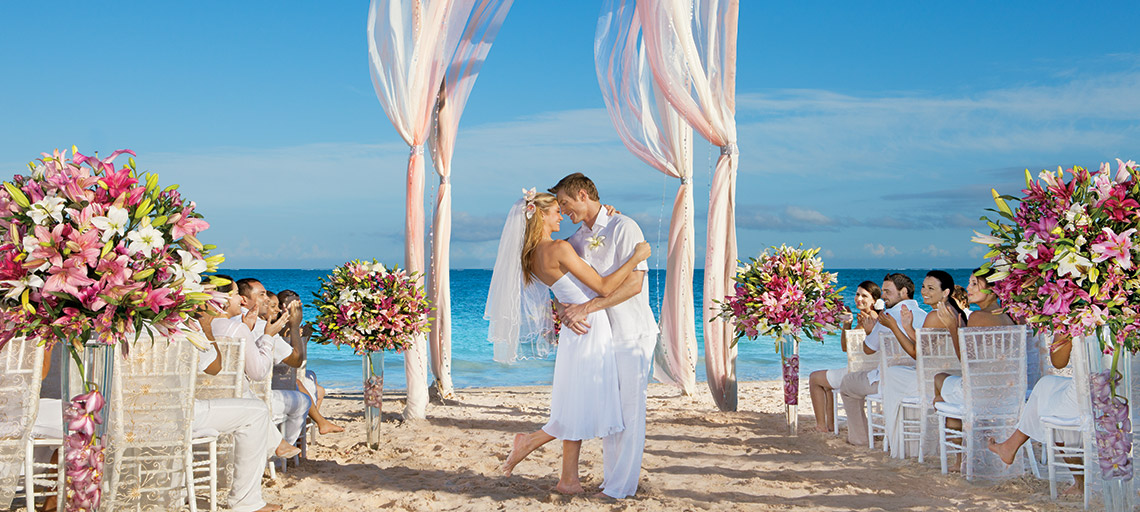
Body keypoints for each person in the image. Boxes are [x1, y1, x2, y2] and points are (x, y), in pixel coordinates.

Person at [491, 190, 650, 494]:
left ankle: (568, 480)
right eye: (555, 211)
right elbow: (604, 286)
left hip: (576, 330)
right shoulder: (559, 248)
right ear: (540, 216)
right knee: (581, 405)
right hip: (590, 327)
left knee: (575, 402)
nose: (560, 215)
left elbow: (564, 292)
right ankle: (531, 441)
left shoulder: (532, 255)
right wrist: (635, 258)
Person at [549, 173, 659, 500]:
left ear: (583, 195)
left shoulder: (625, 228)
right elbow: (557, 276)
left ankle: (620, 487)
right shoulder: (578, 237)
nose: (564, 210)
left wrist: (588, 308)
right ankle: (613, 481)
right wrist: (560, 307)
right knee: (613, 411)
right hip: (604, 337)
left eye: (566, 203)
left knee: (630, 410)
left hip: (632, 332)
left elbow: (634, 284)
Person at [877, 270, 964, 457]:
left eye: (931, 288)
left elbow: (918, 354)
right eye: (924, 286)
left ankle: (903, 447)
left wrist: (893, 325)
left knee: (892, 374)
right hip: (951, 376)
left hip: (934, 381)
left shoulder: (935, 315)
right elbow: (928, 346)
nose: (924, 291)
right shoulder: (955, 312)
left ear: (946, 292)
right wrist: (908, 327)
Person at [838, 273, 926, 447]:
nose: (883, 296)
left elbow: (868, 349)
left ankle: (859, 438)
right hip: (920, 381)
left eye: (887, 291)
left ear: (904, 292)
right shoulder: (925, 315)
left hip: (888, 381)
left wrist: (870, 332)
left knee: (847, 384)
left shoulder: (888, 317)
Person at [986, 334, 1082, 494]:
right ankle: (1010, 445)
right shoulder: (1124, 317)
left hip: (1083, 401)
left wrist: (1061, 327)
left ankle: (1010, 446)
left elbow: (1058, 363)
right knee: (1047, 388)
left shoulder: (1072, 321)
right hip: (1116, 396)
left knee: (1049, 403)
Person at [808, 281, 880, 433]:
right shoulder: (876, 317)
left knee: (814, 378)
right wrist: (848, 323)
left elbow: (845, 347)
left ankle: (821, 426)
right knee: (827, 385)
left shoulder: (867, 319)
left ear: (874, 300)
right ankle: (830, 425)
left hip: (857, 374)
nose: (859, 298)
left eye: (864, 296)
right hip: (871, 371)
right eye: (857, 294)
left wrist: (848, 324)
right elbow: (848, 347)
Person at [278, 289, 343, 435]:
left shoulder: (297, 327)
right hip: (282, 376)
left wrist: (305, 335)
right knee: (311, 387)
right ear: (282, 306)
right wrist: (292, 329)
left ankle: (304, 430)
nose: (298, 305)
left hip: (293, 373)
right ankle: (317, 423)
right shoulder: (278, 326)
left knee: (318, 388)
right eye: (294, 303)